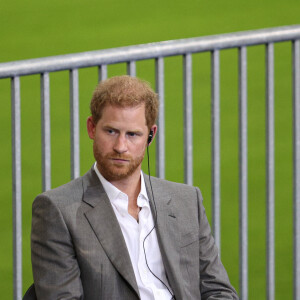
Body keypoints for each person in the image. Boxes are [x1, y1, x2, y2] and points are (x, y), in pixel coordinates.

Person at [31, 75, 238, 300]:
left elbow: (219, 291)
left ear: (150, 136)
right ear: (92, 128)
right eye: (111, 131)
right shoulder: (57, 210)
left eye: (132, 135)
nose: (120, 146)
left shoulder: (187, 200)